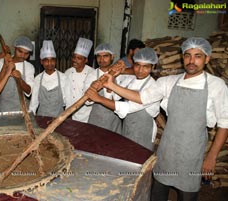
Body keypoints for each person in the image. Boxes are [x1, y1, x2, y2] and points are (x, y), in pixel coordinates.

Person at [101, 37, 228, 201]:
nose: (191, 60)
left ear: (207, 58)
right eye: (188, 55)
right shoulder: (168, 82)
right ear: (183, 57)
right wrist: (112, 86)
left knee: (187, 195)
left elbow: (225, 123)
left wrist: (211, 157)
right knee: (158, 194)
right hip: (167, 151)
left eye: (198, 56)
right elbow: (141, 97)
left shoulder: (216, 85)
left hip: (191, 154)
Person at [86, 47, 160, 150]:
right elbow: (114, 97)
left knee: (139, 159)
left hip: (143, 132)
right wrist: (112, 78)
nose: (140, 70)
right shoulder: (131, 80)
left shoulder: (154, 87)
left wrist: (99, 98)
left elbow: (126, 107)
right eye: (137, 65)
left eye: (145, 67)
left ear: (153, 67)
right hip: (128, 127)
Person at [84, 43, 123, 134]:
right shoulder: (92, 75)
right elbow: (86, 100)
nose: (101, 60)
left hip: (113, 119)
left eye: (105, 56)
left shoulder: (120, 75)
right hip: (97, 119)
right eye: (99, 56)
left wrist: (110, 87)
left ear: (112, 57)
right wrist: (93, 89)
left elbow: (118, 100)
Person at [0, 36, 35, 112]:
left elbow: (29, 91)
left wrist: (20, 79)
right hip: (3, 109)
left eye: (26, 54)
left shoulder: (29, 67)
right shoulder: (0, 63)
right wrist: (5, 66)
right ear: (15, 48)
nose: (22, 56)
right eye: (20, 51)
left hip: (21, 111)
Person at [29, 40, 66, 117]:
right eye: (46, 60)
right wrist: (31, 118)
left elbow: (68, 102)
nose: (50, 63)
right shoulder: (38, 79)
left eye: (52, 60)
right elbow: (34, 103)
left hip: (59, 118)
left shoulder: (63, 78)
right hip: (42, 118)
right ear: (41, 62)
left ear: (55, 61)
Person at [64, 37, 95, 123]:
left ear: (86, 60)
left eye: (79, 58)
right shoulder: (68, 72)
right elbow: (66, 95)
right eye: (74, 57)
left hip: (88, 114)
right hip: (71, 113)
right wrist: (68, 113)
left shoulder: (92, 73)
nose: (75, 60)